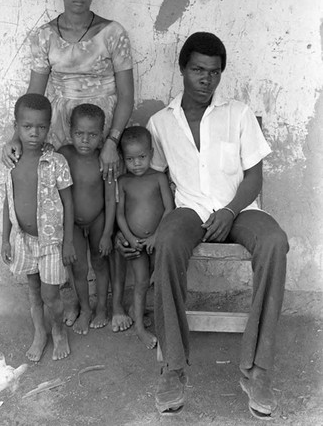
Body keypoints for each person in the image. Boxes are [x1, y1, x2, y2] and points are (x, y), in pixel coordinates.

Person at [118, 32, 289, 419]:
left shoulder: (238, 113)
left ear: (221, 74)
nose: (206, 79)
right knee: (169, 242)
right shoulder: (161, 123)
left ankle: (257, 369)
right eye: (198, 69)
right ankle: (173, 369)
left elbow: (254, 177)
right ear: (182, 70)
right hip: (190, 210)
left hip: (240, 210)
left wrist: (229, 211)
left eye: (214, 72)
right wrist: (137, 229)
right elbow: (152, 181)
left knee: (276, 242)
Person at [2, 0, 134, 332]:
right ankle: (74, 300)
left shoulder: (113, 33)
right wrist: (16, 137)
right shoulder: (44, 36)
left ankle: (115, 303)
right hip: (62, 136)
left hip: (103, 133)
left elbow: (126, 96)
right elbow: (35, 94)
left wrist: (112, 139)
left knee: (108, 215)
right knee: (65, 219)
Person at [1, 94, 76, 362]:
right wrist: (5, 240)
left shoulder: (56, 162)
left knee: (50, 294)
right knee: (33, 292)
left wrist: (68, 242)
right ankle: (39, 332)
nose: (34, 133)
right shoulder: (12, 161)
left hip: (51, 243)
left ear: (49, 126)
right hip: (23, 240)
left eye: (41, 127)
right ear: (16, 126)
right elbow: (8, 201)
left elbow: (68, 202)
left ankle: (57, 328)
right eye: (27, 127)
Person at [58, 104, 116, 335]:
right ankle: (85, 309)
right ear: (70, 131)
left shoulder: (105, 159)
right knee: (79, 268)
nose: (85, 140)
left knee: (100, 263)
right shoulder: (63, 155)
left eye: (92, 135)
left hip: (98, 220)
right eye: (79, 134)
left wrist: (107, 234)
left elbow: (111, 200)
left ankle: (101, 308)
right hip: (71, 222)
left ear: (101, 135)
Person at [116, 126, 174, 349]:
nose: (137, 163)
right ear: (123, 158)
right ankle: (140, 328)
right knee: (140, 283)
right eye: (130, 159)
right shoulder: (123, 182)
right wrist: (130, 238)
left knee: (158, 280)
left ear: (151, 153)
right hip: (136, 244)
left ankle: (160, 321)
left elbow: (169, 209)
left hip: (158, 241)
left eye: (141, 157)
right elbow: (120, 215)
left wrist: (157, 236)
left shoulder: (159, 178)